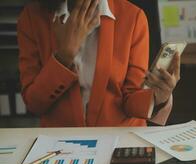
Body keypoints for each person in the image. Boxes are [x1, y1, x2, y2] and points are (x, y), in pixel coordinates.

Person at [17, 0, 181, 127]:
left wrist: (159, 98)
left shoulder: (133, 17)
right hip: (60, 143)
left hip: (119, 139)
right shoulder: (32, 18)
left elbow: (131, 99)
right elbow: (34, 104)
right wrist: (63, 56)